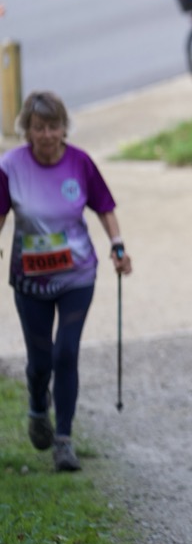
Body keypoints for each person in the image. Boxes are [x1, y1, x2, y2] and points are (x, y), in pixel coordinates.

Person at [2, 91, 133, 472]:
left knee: (66, 353)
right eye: (38, 127)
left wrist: (118, 245)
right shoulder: (11, 167)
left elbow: (104, 206)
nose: (47, 135)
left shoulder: (80, 163)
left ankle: (63, 440)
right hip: (30, 279)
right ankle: (37, 405)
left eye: (53, 126)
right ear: (27, 130)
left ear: (64, 128)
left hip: (77, 273)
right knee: (40, 361)